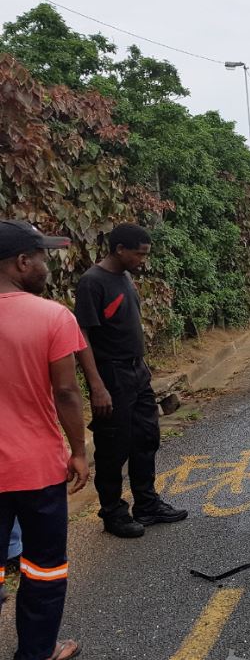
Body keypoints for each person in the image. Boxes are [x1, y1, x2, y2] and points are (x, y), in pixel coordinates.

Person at [0, 219, 87, 660]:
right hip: (36, 470)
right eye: (42, 258)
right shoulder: (52, 315)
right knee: (43, 566)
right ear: (21, 262)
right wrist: (80, 452)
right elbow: (67, 392)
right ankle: (36, 652)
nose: (47, 267)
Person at [74, 223, 187, 538]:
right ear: (120, 249)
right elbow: (81, 336)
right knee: (113, 446)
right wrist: (97, 385)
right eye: (139, 254)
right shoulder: (92, 282)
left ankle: (147, 505)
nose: (143, 260)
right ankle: (113, 513)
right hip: (111, 374)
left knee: (146, 438)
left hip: (137, 372)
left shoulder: (124, 278)